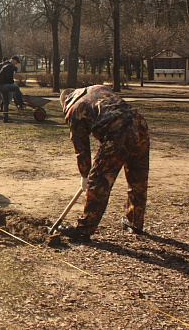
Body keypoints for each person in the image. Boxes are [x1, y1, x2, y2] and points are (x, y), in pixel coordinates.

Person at [58, 85, 150, 241]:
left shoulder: (73, 109)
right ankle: (134, 222)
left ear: (65, 101)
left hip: (118, 132)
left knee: (99, 181)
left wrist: (85, 175)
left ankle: (84, 229)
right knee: (138, 178)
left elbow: (81, 148)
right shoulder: (97, 89)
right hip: (140, 124)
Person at [0, 56, 25, 123]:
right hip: (3, 85)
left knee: (6, 102)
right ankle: (20, 103)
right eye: (16, 62)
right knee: (16, 88)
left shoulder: (6, 65)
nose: (16, 63)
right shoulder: (9, 67)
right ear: (14, 60)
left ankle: (5, 118)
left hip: (0, 86)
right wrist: (12, 85)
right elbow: (9, 78)